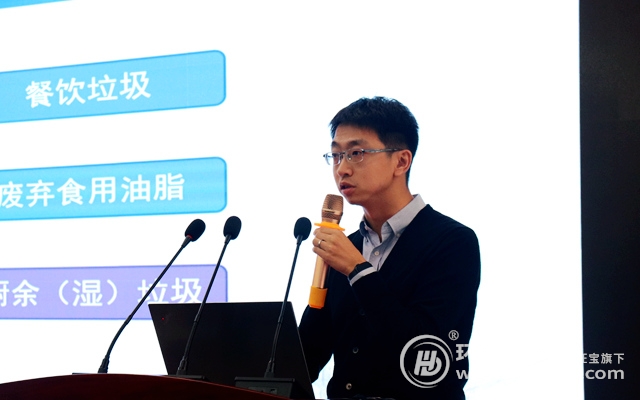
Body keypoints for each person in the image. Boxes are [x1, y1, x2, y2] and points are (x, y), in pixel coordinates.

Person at [298, 97, 481, 400]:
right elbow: (309, 356)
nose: (342, 169)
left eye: (356, 153)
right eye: (336, 155)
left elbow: (424, 352)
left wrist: (357, 270)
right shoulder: (346, 247)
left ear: (401, 161)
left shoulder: (453, 242)